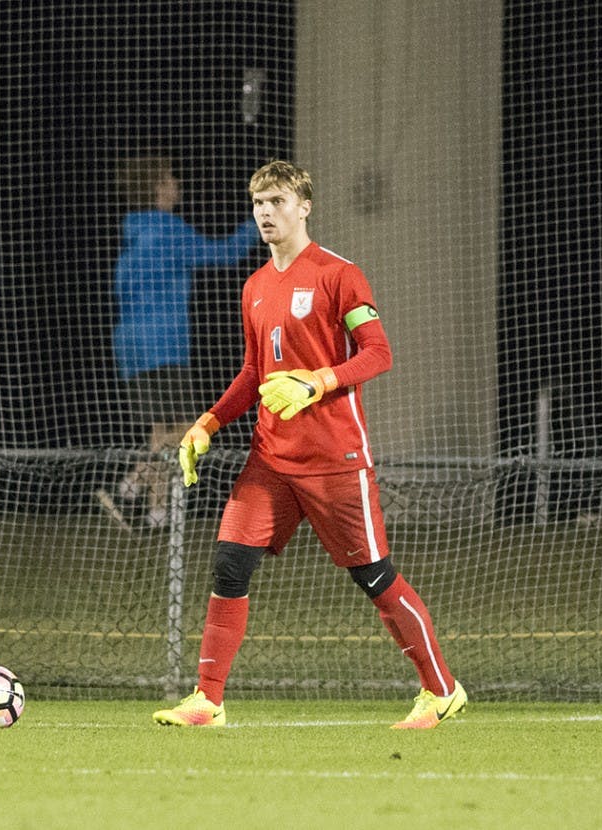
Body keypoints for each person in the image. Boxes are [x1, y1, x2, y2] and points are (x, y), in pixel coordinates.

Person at [152, 159, 467, 729]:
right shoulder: (254, 286)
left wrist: (317, 381)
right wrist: (207, 423)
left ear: (304, 207)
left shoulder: (339, 274)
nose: (265, 213)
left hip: (334, 459)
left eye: (276, 201)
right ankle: (207, 700)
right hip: (271, 458)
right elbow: (254, 372)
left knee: (374, 576)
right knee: (229, 564)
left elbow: (378, 353)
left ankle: (442, 689)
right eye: (258, 203)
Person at [96, 156, 258, 531]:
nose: (176, 184)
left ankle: (154, 511)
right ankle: (129, 485)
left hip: (130, 347)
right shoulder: (167, 231)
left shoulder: (134, 234)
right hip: (162, 344)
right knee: (186, 428)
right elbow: (225, 254)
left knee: (160, 430)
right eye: (169, 179)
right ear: (157, 189)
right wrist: (259, 223)